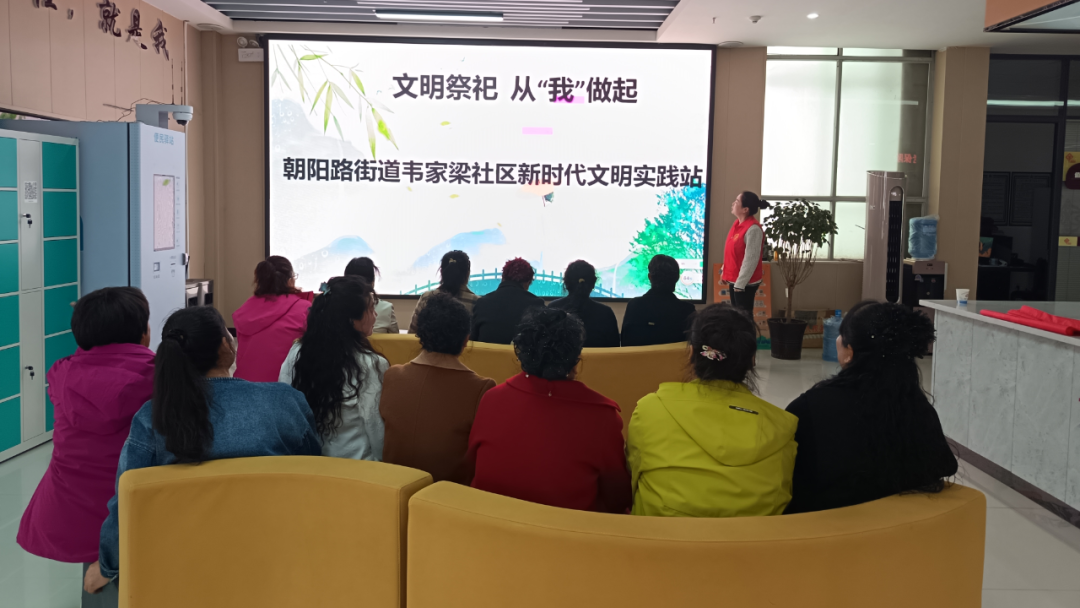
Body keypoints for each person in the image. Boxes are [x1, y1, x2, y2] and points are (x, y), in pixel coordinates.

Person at [83, 306, 321, 596]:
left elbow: (127, 499)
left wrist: (107, 567)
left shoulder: (153, 419)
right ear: (225, 346)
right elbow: (315, 476)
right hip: (277, 555)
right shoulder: (285, 402)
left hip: (183, 565)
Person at [17, 288, 155, 600]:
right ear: (144, 333)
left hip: (72, 509)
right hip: (134, 509)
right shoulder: (160, 377)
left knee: (98, 586)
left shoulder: (61, 373)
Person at [784, 301, 958, 514]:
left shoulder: (810, 408)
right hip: (907, 527)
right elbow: (944, 465)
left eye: (841, 334)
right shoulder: (916, 405)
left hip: (830, 527)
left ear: (849, 351)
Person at [628, 303, 797, 518]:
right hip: (753, 540)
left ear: (691, 353)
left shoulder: (649, 410)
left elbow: (631, 480)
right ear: (752, 360)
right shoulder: (783, 428)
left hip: (660, 538)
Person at [468, 308, 631, 513]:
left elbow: (472, 467)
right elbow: (618, 498)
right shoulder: (603, 417)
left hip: (485, 524)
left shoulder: (491, 399)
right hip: (564, 530)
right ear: (576, 359)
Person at [381, 293, 495, 483]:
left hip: (393, 487)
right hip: (447, 494)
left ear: (420, 335)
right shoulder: (481, 389)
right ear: (466, 340)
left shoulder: (392, 376)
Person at [280, 275, 388, 461]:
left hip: (308, 462)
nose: (375, 316)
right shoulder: (370, 363)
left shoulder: (297, 353)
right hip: (357, 466)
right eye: (371, 310)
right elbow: (375, 425)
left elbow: (285, 406)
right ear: (352, 321)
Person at [232, 256, 312, 382]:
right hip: (282, 387)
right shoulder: (303, 308)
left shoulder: (246, 308)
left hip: (244, 384)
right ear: (289, 280)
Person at [621, 254, 697, 346]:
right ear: (677, 278)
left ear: (650, 277)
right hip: (674, 356)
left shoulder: (634, 306)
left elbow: (625, 345)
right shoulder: (688, 310)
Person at [470, 258, 545, 344]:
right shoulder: (537, 304)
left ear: (503, 277)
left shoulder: (482, 303)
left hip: (486, 353)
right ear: (527, 283)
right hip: (521, 353)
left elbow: (472, 342)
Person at [549, 260, 619, 348]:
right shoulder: (606, 313)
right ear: (593, 284)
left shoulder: (552, 309)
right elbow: (614, 349)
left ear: (566, 283)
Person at [721, 192, 770, 314]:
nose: (733, 203)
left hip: (745, 283)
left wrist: (740, 284)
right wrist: (725, 270)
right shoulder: (737, 224)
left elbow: (751, 260)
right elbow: (733, 252)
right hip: (735, 279)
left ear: (745, 209)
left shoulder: (753, 229)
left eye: (737, 201)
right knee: (737, 317)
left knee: (744, 318)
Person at [409, 250, 478, 333]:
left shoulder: (426, 297)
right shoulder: (477, 302)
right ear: (467, 274)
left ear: (441, 272)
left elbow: (412, 334)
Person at [345, 256, 399, 334]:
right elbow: (396, 339)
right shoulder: (386, 308)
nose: (375, 314)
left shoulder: (334, 305)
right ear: (372, 282)